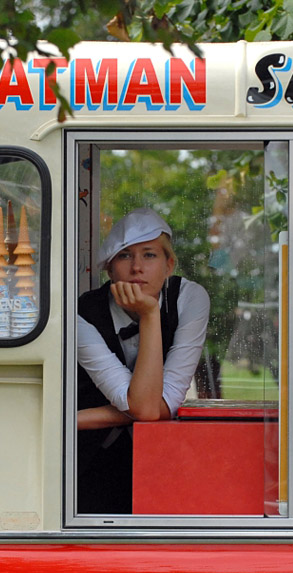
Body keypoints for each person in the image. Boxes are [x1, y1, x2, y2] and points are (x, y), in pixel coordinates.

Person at [77, 208, 210, 513]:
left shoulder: (191, 298)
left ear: (169, 265)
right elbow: (151, 408)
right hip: (88, 461)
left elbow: (153, 407)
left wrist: (75, 420)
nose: (137, 268)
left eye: (149, 255)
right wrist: (151, 315)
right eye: (125, 256)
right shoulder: (83, 312)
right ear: (110, 271)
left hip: (165, 457)